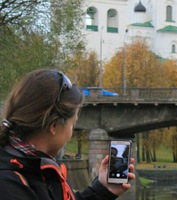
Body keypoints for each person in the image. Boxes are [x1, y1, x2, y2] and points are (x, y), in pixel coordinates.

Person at [0, 68, 135, 200]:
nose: (71, 132)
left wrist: (102, 190)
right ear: (54, 126)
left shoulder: (34, 167)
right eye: (73, 124)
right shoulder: (10, 185)